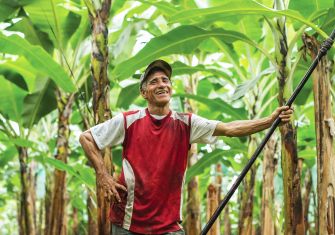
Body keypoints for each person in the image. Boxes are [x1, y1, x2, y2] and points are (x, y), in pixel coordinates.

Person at [79, 60, 293, 235]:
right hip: (128, 223)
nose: (162, 84)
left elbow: (229, 128)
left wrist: (270, 120)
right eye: (154, 82)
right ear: (143, 93)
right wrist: (102, 174)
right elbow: (87, 138)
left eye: (166, 80)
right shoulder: (129, 121)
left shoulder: (187, 123)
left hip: (169, 227)